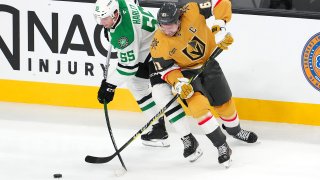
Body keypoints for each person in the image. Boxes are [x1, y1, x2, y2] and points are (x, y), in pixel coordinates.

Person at [150, 1, 258, 167]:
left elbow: (220, 2)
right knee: (199, 109)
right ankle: (222, 146)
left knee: (225, 104)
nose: (167, 30)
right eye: (163, 26)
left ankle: (235, 131)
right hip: (186, 75)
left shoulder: (192, 10)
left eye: (170, 25)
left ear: (179, 18)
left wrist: (219, 24)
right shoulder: (158, 43)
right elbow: (166, 70)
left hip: (209, 63)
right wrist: (178, 83)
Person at [93, 0, 203, 162]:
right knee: (135, 84)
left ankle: (189, 139)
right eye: (99, 18)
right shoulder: (120, 3)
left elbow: (128, 68)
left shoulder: (124, 35)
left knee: (162, 95)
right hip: (148, 49)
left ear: (116, 14)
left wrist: (109, 85)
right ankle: (158, 129)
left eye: (105, 18)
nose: (101, 22)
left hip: (160, 53)